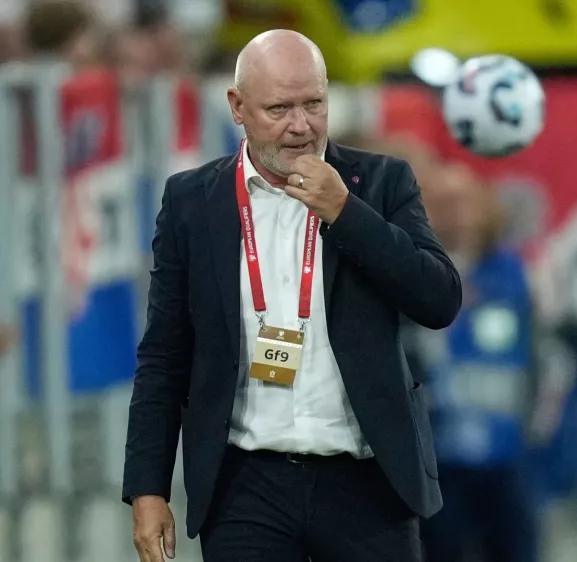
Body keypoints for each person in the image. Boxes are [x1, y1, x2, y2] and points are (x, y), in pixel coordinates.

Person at [122, 29, 461, 562]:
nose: (301, 125)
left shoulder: (380, 183)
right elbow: (165, 353)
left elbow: (439, 301)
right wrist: (148, 488)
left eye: (314, 104)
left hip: (367, 484)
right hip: (245, 486)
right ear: (237, 107)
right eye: (279, 109)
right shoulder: (192, 201)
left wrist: (346, 214)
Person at [412, 164, 542, 562]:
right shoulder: (407, 270)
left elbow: (540, 354)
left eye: (465, 201)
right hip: (437, 458)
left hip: (506, 454)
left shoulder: (512, 273)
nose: (458, 214)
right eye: (444, 203)